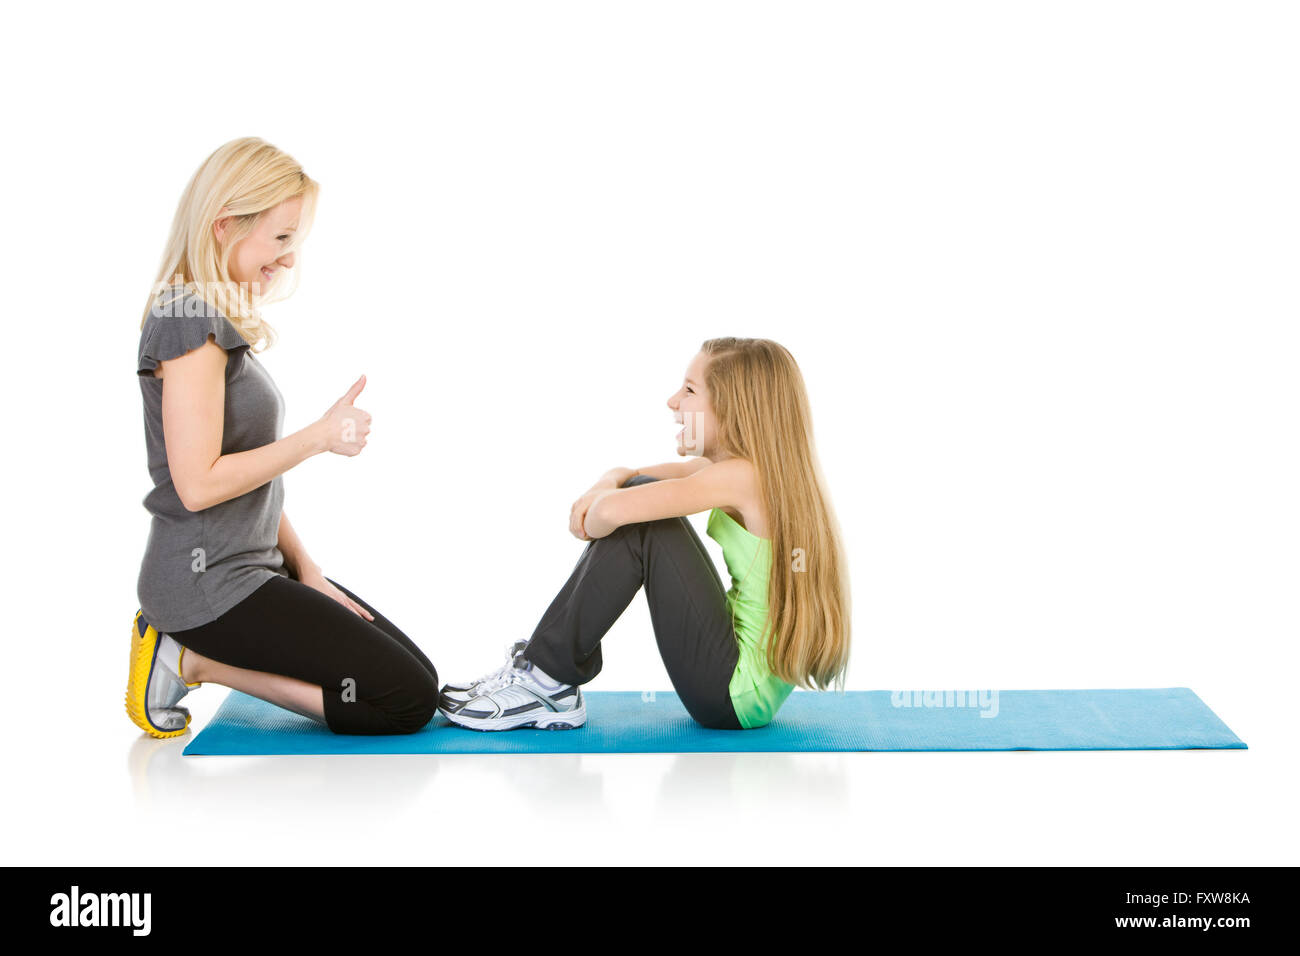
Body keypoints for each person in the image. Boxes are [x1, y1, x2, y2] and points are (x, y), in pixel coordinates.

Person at [125, 137, 439, 739]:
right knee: (406, 702)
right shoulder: (186, 319)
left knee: (417, 675)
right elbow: (198, 486)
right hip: (205, 586)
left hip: (254, 568)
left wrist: (307, 569)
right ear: (224, 225)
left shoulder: (210, 319)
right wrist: (318, 437)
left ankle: (203, 648)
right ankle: (191, 658)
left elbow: (250, 475)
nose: (289, 259)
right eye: (281, 238)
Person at [439, 337, 851, 731]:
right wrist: (611, 484)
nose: (673, 402)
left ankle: (545, 679)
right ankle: (545, 670)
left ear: (733, 409)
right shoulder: (752, 473)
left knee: (646, 519)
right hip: (745, 690)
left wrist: (601, 501)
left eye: (689, 390)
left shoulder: (740, 477)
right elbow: (631, 479)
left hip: (730, 692)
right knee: (644, 502)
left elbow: (611, 512)